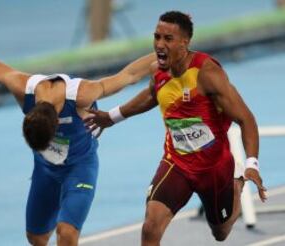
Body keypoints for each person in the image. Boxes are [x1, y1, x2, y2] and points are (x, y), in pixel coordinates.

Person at [85, 11, 267, 244]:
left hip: (213, 167)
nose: (160, 45)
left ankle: (235, 188)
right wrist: (112, 117)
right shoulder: (159, 72)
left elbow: (246, 119)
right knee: (151, 226)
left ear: (185, 42)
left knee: (220, 233)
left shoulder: (207, 74)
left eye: (168, 39)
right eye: (157, 37)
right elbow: (152, 95)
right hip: (177, 162)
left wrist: (252, 164)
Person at [0, 52, 155, 246]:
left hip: (80, 167)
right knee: (36, 238)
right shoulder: (23, 88)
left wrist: (166, 54)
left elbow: (129, 74)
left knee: (67, 233)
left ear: (56, 127)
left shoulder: (82, 94)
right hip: (45, 170)